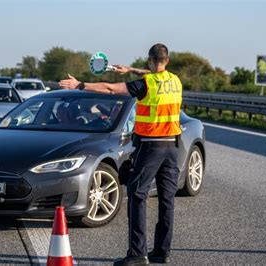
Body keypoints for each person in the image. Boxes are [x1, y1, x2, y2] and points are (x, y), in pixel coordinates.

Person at [59, 43, 182, 266]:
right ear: (168, 61)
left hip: (151, 145)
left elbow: (111, 89)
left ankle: (137, 253)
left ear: (149, 60)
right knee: (167, 200)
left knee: (137, 195)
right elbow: (154, 74)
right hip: (173, 147)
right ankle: (162, 252)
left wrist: (80, 84)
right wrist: (131, 70)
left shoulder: (146, 83)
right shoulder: (174, 80)